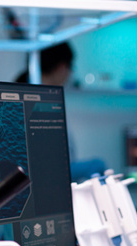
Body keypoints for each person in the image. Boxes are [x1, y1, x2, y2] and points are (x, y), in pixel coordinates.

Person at [15, 42, 105, 182]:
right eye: (71, 68)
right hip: (41, 175)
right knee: (97, 166)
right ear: (62, 67)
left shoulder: (43, 96)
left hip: (45, 173)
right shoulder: (34, 100)